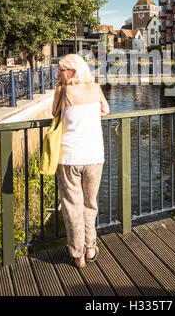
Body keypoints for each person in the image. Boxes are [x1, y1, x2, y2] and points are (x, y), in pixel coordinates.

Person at [52, 53, 110, 269]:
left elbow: (54, 112)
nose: (58, 74)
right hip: (95, 156)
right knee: (90, 203)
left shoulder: (63, 90)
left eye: (61, 70)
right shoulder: (95, 88)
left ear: (72, 71)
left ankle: (78, 254)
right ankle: (91, 246)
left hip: (70, 157)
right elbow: (106, 110)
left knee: (72, 205)